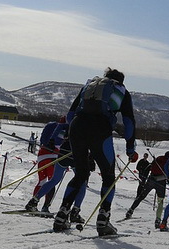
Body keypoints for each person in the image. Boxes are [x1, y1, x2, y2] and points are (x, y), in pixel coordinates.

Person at [52, 68, 137, 237]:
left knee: (80, 173)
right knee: (108, 176)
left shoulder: (90, 85)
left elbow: (69, 115)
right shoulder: (121, 90)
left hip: (77, 126)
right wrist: (130, 148)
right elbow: (129, 121)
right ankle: (103, 220)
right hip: (100, 129)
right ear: (121, 80)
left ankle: (62, 215)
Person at [124, 151, 169, 226]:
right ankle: (158, 220)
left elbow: (149, 167)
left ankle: (131, 210)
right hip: (161, 182)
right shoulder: (168, 161)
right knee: (160, 201)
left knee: (141, 196)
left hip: (151, 179)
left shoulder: (158, 159)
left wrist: (143, 178)